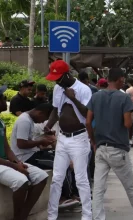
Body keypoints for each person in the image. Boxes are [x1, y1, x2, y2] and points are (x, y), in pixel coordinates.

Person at [86, 68, 133, 220]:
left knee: (98, 188)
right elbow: (127, 124)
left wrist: (93, 141)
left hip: (100, 147)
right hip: (118, 148)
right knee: (130, 187)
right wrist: (132, 117)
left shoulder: (96, 96)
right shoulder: (124, 98)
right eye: (123, 80)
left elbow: (88, 122)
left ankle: (97, 218)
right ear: (119, 79)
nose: (124, 82)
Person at [0, 85, 48, 220]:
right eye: (3, 97)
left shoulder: (0, 122)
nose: (6, 99)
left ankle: (22, 216)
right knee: (21, 182)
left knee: (41, 176)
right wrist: (14, 166)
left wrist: (17, 162)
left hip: (2, 163)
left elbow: (7, 149)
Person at [44, 60, 92, 220]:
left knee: (81, 179)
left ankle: (87, 215)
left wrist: (73, 98)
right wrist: (49, 125)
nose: (56, 82)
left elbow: (87, 114)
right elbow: (55, 110)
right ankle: (51, 216)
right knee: (57, 178)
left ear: (67, 74)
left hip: (79, 138)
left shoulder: (83, 89)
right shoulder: (58, 88)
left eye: (58, 78)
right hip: (63, 138)